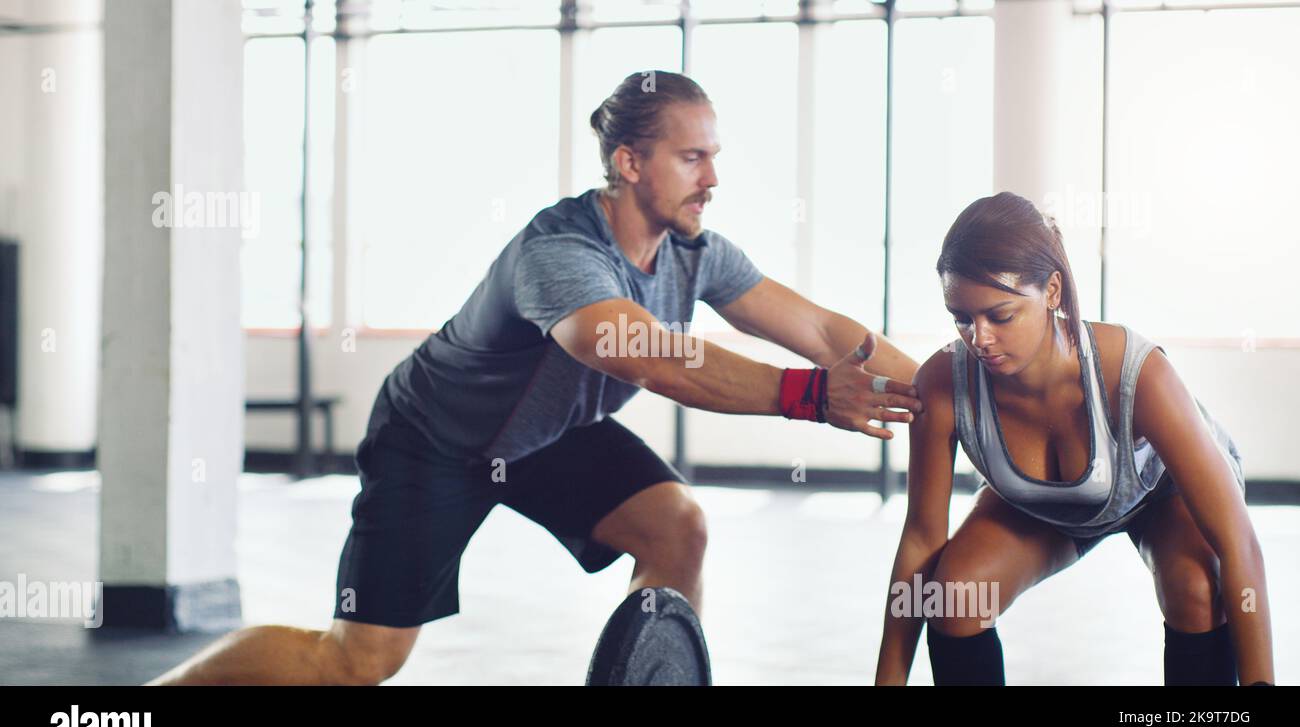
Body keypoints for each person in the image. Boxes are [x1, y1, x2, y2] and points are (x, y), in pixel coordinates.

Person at [148, 70, 923, 685]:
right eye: (694, 157)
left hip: (547, 436)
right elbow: (647, 355)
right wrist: (809, 396)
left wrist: (945, 391)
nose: (713, 177)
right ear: (629, 163)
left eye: (715, 156)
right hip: (437, 439)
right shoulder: (559, 254)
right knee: (356, 662)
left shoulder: (695, 252)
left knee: (676, 526)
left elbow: (822, 331)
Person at [874, 192, 1274, 686]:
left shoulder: (1137, 373)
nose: (979, 339)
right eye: (961, 317)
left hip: (1160, 494)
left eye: (1000, 315)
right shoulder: (941, 384)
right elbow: (919, 539)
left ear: (1053, 291)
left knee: (1196, 585)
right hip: (1042, 507)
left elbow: (1239, 544)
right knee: (955, 594)